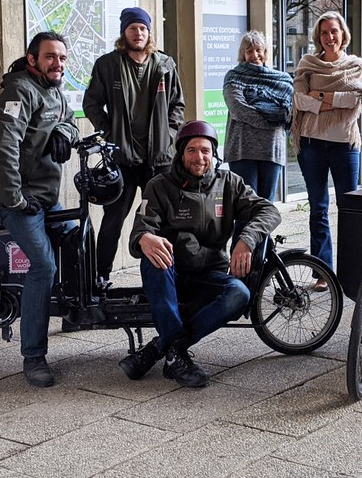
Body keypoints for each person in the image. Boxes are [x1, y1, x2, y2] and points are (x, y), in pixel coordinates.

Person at [118, 121, 281, 388]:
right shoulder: (159, 185)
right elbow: (141, 226)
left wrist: (246, 240)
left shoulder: (229, 183)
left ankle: (164, 349)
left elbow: (269, 211)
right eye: (192, 150)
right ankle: (176, 357)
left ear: (214, 153)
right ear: (181, 153)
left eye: (205, 151)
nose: (199, 157)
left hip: (211, 273)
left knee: (240, 293)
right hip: (171, 273)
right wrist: (143, 238)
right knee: (153, 258)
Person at [0, 31, 80, 388]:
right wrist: (14, 198)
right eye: (50, 57)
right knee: (43, 265)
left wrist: (65, 134)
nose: (57, 64)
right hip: (19, 200)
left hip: (44, 196)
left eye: (62, 58)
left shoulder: (53, 91)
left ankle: (73, 312)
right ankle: (33, 356)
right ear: (32, 59)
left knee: (77, 237)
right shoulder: (20, 91)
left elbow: (71, 120)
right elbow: (4, 144)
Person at [83, 7, 185, 284]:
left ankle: (167, 278)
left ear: (149, 31)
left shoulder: (165, 64)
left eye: (142, 28)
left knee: (164, 222)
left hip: (159, 158)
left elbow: (177, 105)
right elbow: (91, 103)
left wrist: (170, 133)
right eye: (132, 28)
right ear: (124, 32)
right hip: (123, 159)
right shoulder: (108, 65)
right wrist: (108, 131)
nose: (138, 33)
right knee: (113, 221)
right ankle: (100, 278)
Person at [291, 11, 362, 289]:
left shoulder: (356, 66)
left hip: (345, 145)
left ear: (343, 33)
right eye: (324, 32)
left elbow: (355, 99)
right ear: (318, 37)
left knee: (349, 209)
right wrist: (332, 102)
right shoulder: (308, 64)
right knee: (318, 209)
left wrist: (320, 97)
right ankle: (323, 272)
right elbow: (299, 100)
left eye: (334, 31)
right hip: (311, 144)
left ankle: (353, 271)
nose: (329, 37)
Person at [223, 30, 293, 202]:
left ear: (265, 52)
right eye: (249, 51)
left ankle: (262, 232)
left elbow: (288, 112)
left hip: (272, 149)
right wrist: (272, 120)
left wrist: (260, 106)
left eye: (258, 50)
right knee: (246, 204)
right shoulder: (233, 77)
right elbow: (239, 110)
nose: (255, 55)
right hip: (242, 149)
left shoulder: (282, 80)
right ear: (243, 54)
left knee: (266, 205)